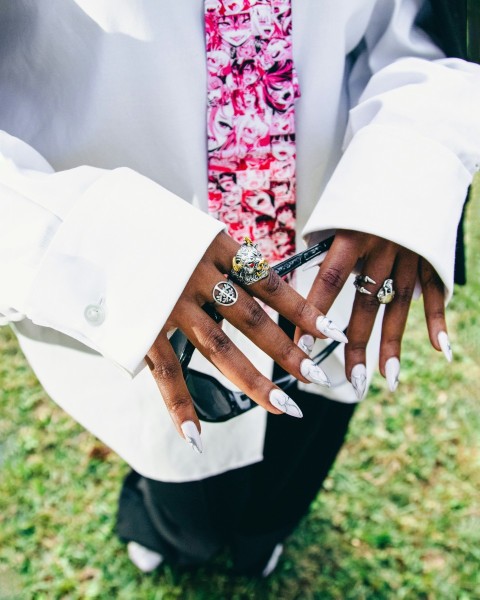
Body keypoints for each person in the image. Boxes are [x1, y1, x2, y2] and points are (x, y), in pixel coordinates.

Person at [1, 0, 478, 577]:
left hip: (326, 262)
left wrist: (406, 161)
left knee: (302, 440)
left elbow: (419, 30)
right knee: (179, 467)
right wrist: (100, 241)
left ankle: (266, 530)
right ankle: (173, 534)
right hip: (143, 289)